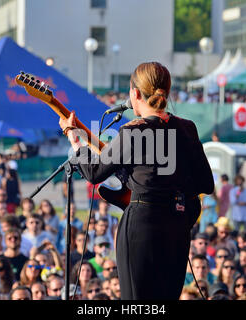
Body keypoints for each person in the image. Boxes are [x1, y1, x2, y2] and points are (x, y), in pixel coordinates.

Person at [67, 62, 215, 300]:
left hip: (142, 225)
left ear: (135, 93)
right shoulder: (188, 128)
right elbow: (206, 184)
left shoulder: (133, 130)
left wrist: (75, 141)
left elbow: (94, 173)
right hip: (178, 226)